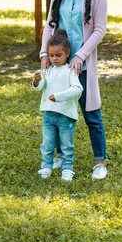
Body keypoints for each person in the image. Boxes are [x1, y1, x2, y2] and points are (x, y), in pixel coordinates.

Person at [40, 0, 108, 180]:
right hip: (59, 65)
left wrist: (79, 56)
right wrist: (44, 53)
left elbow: (99, 30)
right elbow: (50, 25)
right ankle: (58, 157)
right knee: (57, 110)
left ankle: (99, 162)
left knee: (92, 115)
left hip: (82, 66)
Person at [33, 30, 83, 182]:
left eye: (58, 55)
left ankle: (67, 169)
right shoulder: (48, 70)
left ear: (67, 53)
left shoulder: (70, 71)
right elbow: (40, 86)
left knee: (66, 145)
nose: (54, 58)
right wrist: (36, 81)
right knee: (47, 143)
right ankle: (46, 166)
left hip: (65, 115)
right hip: (48, 114)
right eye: (51, 55)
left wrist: (59, 97)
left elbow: (77, 89)